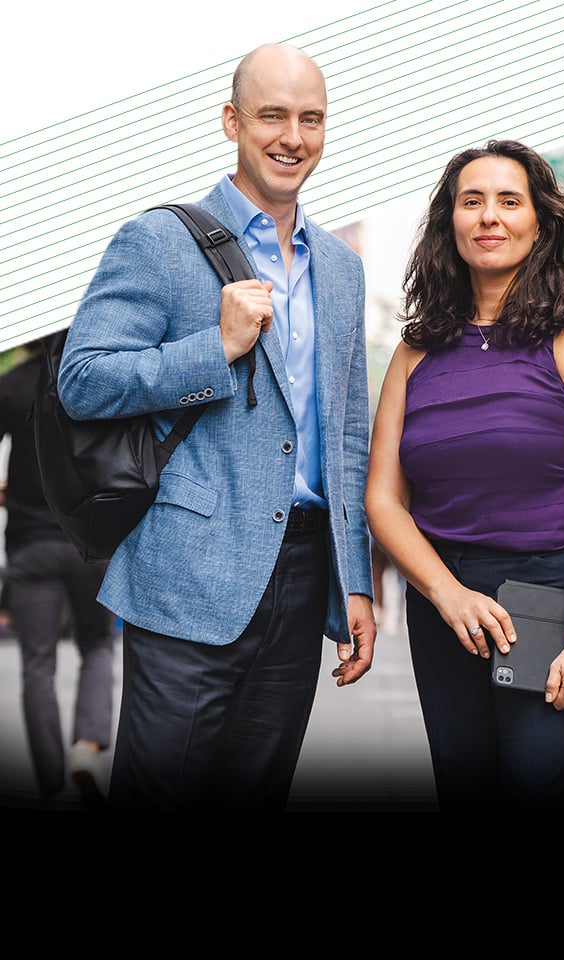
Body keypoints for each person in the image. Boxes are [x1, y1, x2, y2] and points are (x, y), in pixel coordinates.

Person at [58, 43, 377, 810]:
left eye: (311, 119)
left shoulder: (340, 266)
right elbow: (82, 379)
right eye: (273, 115)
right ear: (233, 121)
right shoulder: (160, 242)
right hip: (188, 572)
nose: (292, 137)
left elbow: (348, 435)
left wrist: (356, 580)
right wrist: (216, 347)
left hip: (302, 578)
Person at [365, 139, 564, 811]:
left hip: (546, 596)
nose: (489, 217)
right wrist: (446, 593)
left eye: (509, 201)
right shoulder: (415, 349)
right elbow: (383, 498)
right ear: (449, 223)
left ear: (540, 221)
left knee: (536, 790)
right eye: (472, 201)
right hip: (443, 606)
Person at [0, 340, 117, 807]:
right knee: (96, 646)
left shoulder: (10, 385)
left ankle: (50, 781)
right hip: (91, 542)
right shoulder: (98, 377)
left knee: (38, 664)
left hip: (30, 544)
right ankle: (86, 750)